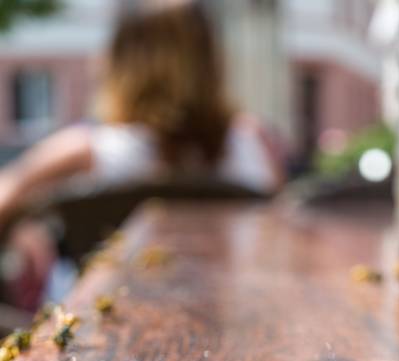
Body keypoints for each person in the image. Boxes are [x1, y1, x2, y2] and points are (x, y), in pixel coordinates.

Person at [0, 0, 283, 310]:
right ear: (212, 62)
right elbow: (285, 229)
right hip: (231, 316)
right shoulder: (253, 143)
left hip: (93, 332)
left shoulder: (85, 151)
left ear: (119, 60)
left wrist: (20, 224)